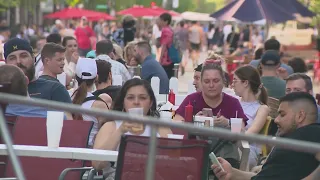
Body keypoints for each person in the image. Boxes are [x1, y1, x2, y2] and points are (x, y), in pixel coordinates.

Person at [212, 92, 320, 180]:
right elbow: (265, 176)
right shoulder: (296, 140)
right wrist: (232, 173)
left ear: (300, 116)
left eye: (282, 114)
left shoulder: (304, 138)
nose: (276, 119)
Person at [174, 63, 248, 169]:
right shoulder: (192, 100)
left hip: (225, 158)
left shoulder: (233, 103)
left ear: (223, 82)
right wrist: (194, 120)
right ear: (201, 82)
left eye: (216, 81)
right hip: (194, 154)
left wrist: (227, 123)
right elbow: (176, 122)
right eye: (207, 81)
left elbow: (241, 130)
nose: (211, 85)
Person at [92, 78, 172, 170]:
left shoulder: (160, 129)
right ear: (123, 103)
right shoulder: (111, 127)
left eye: (142, 98)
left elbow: (173, 163)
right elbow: (97, 164)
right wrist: (120, 131)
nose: (136, 102)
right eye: (130, 98)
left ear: (150, 103)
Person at [4, 38, 72, 118]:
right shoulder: (3, 92)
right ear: (6, 63)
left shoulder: (54, 89)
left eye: (23, 56)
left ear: (33, 58)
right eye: (12, 58)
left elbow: (68, 124)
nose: (18, 61)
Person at [233, 65, 270, 169]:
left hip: (248, 149)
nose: (232, 84)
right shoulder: (234, 102)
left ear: (245, 83)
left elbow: (249, 135)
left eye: (235, 81)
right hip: (232, 145)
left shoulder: (261, 108)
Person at [71, 58, 112, 147]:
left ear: (75, 77)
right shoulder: (99, 105)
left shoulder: (67, 96)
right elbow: (107, 134)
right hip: (90, 154)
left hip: (69, 151)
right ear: (96, 78)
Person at [158, 13, 174, 79]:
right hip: (171, 57)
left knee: (166, 77)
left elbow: (164, 45)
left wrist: (160, 58)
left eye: (161, 20)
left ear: (166, 21)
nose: (159, 22)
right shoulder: (170, 29)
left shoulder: (165, 30)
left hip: (166, 59)